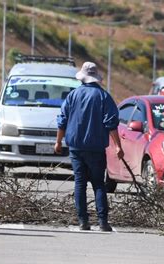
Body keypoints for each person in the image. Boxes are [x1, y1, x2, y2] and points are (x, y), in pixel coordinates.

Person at [55, 62, 124, 232]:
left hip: (76, 146)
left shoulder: (72, 95)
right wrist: (118, 146)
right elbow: (111, 123)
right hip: (96, 147)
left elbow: (62, 120)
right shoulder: (103, 97)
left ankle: (83, 221)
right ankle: (102, 222)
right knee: (98, 184)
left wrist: (58, 141)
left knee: (80, 183)